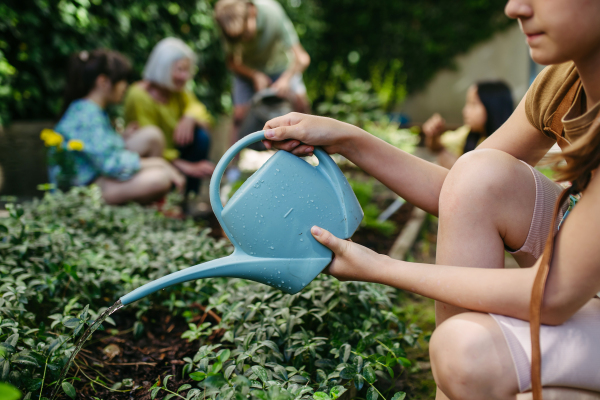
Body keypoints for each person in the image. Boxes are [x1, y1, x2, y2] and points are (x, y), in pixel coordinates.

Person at [261, 0, 600, 398]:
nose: (514, 8)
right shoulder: (563, 83)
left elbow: (554, 296)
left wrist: (382, 267)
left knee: (465, 352)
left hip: (570, 288)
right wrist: (346, 138)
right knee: (479, 171)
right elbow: (463, 191)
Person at [52, 49, 185, 205]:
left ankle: (153, 206)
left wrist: (121, 138)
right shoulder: (87, 115)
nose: (125, 86)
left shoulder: (89, 108)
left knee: (152, 136)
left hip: (97, 175)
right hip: (84, 190)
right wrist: (160, 163)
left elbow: (99, 149)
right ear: (103, 82)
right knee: (160, 178)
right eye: (122, 80)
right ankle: (149, 207)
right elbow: (109, 164)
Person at [124, 38, 215, 196]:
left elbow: (203, 115)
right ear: (163, 67)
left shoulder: (177, 92)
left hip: (173, 153)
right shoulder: (139, 96)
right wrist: (189, 167)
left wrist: (190, 117)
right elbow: (151, 147)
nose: (184, 76)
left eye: (187, 70)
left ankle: (188, 198)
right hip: (151, 160)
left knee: (201, 137)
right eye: (179, 70)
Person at [214, 0, 311, 142]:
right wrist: (254, 75)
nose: (244, 40)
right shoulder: (228, 23)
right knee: (238, 117)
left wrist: (285, 80)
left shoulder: (273, 12)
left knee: (301, 105)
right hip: (248, 69)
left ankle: (309, 152)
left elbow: (303, 59)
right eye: (238, 38)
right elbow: (232, 63)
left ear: (252, 11)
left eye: (245, 33)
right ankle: (232, 163)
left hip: (281, 68)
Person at [422, 81, 514, 168]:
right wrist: (434, 135)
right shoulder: (468, 133)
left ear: (493, 107)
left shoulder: (506, 146)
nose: (465, 111)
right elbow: (436, 146)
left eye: (473, 104)